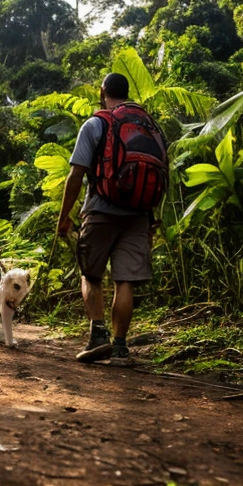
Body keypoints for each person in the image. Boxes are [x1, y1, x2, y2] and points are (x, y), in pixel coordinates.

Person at [58, 72, 161, 363]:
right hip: (139, 214)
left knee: (91, 275)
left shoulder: (96, 124)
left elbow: (76, 174)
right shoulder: (149, 127)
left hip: (101, 209)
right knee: (124, 281)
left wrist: (64, 216)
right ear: (127, 92)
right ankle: (120, 348)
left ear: (102, 92)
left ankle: (98, 334)